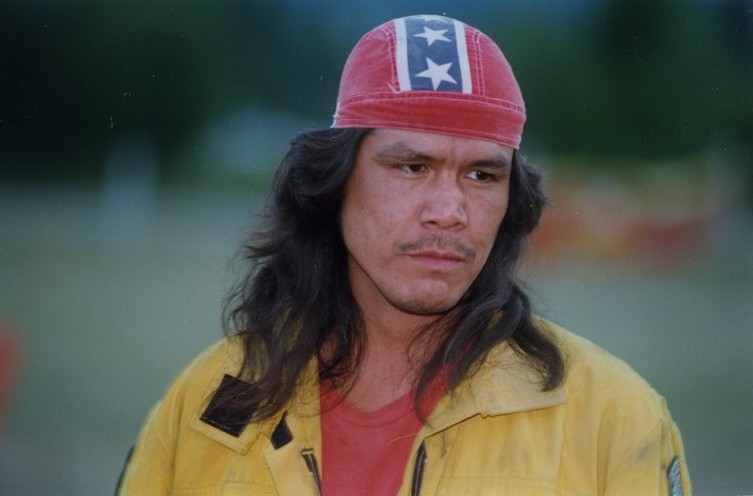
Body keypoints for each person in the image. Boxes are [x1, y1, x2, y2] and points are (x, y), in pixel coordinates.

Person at [116, 14, 691, 495]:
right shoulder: (207, 403)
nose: (450, 209)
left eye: (483, 174)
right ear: (337, 182)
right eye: (412, 167)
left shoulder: (614, 417)